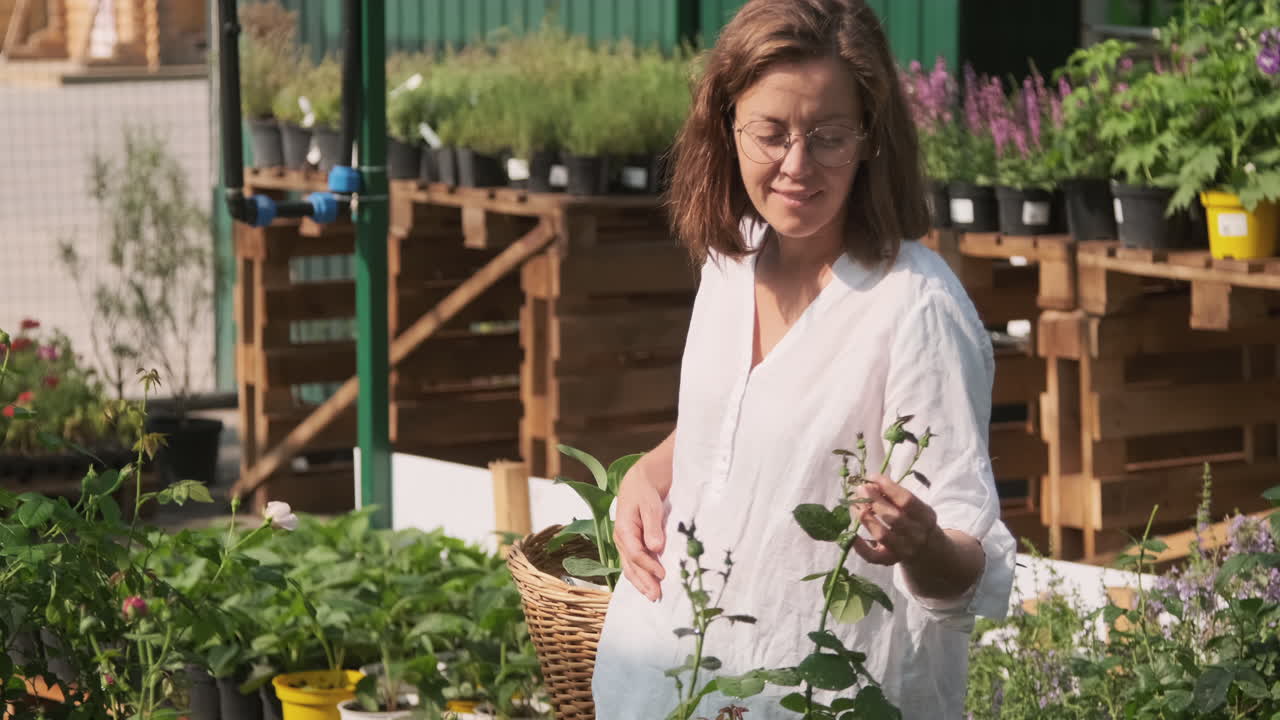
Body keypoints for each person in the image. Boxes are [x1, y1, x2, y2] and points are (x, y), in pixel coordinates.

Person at [590, 0, 1016, 717]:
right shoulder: (731, 262)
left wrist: (920, 544)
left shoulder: (913, 307)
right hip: (669, 679)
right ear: (725, 128)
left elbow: (967, 572)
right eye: (770, 131)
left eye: (828, 135)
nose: (796, 164)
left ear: (871, 140)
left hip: (826, 696)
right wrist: (648, 472)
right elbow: (739, 419)